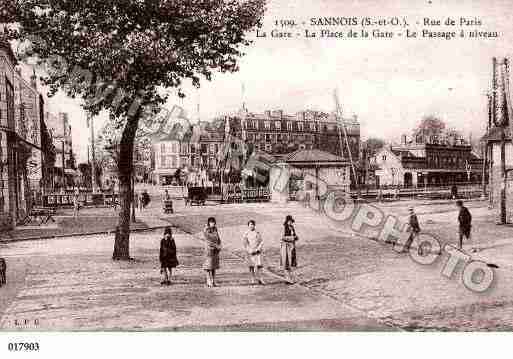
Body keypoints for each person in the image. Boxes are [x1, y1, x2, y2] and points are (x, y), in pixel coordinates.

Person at [242, 220, 265, 285]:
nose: (251, 226)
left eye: (252, 224)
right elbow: (245, 243)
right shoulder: (246, 234)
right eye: (250, 224)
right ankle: (252, 279)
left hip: (257, 252)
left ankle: (260, 279)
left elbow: (261, 242)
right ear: (248, 226)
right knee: (251, 266)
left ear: (254, 225)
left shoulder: (257, 232)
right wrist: (250, 250)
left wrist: (258, 249)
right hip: (250, 252)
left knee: (259, 265)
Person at [203, 217, 221, 287]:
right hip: (209, 250)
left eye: (213, 222)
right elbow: (208, 240)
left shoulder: (215, 229)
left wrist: (220, 244)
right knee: (208, 266)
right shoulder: (206, 230)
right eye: (211, 222)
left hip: (215, 250)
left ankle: (213, 280)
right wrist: (216, 246)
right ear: (208, 223)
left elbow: (218, 238)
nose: (212, 224)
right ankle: (208, 280)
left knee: (214, 266)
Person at [281, 215, 298, 283]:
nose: (290, 222)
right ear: (287, 221)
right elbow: (283, 237)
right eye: (289, 221)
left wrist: (296, 237)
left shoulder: (292, 227)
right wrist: (292, 238)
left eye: (291, 221)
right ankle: (287, 278)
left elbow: (294, 235)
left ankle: (290, 278)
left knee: (291, 263)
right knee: (286, 262)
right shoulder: (284, 227)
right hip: (286, 247)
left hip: (292, 246)